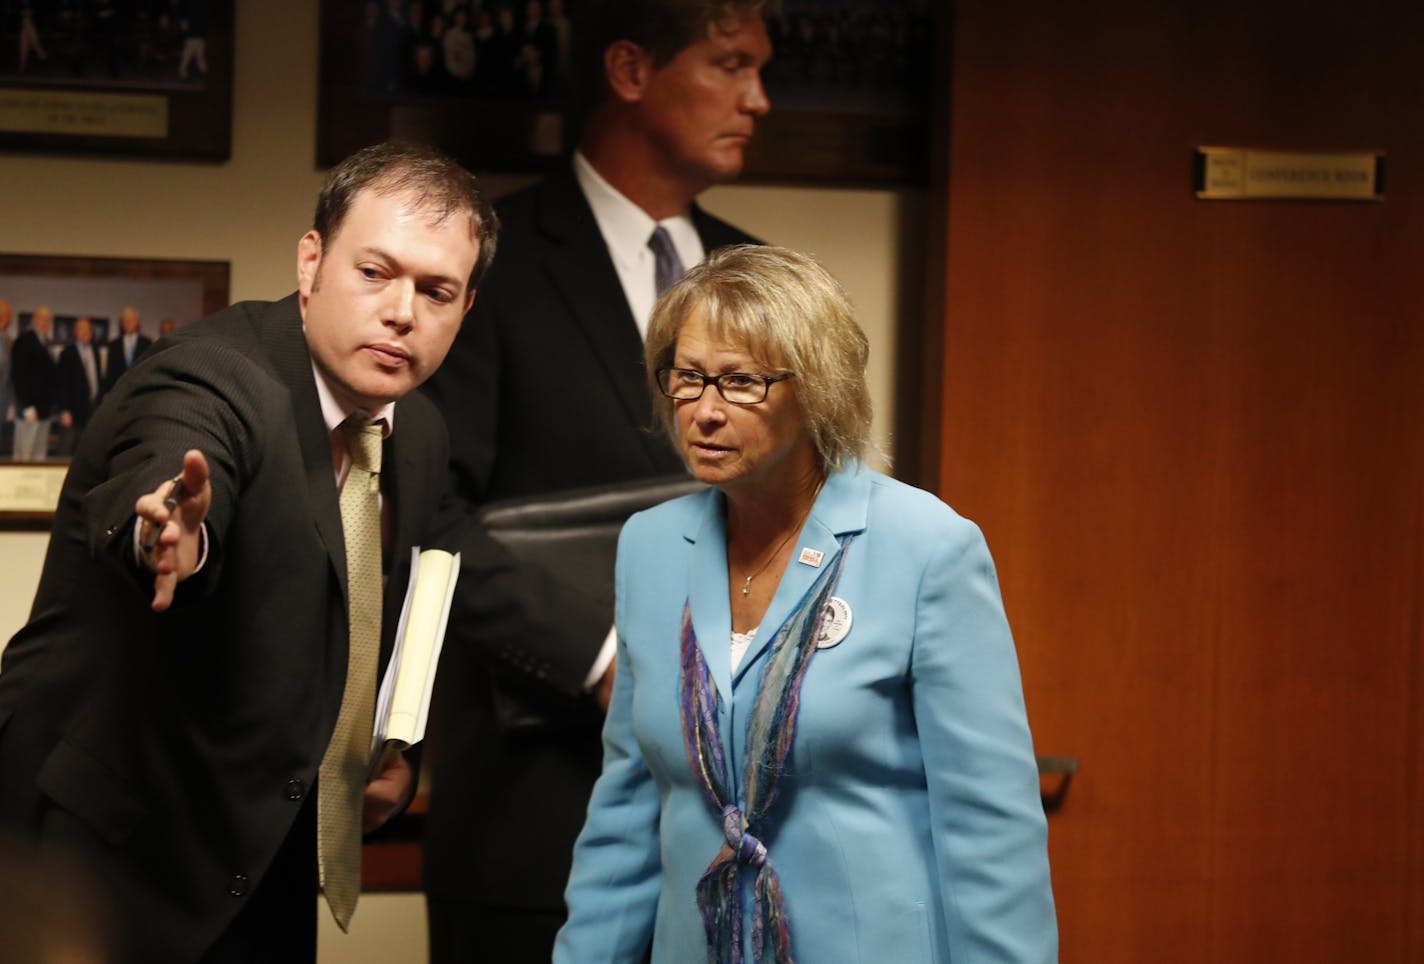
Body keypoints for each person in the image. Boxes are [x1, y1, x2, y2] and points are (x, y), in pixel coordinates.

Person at [0, 140, 607, 964]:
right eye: (375, 273)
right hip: (94, 861)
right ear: (311, 260)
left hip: (264, 860)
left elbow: (390, 580)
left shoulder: (414, 427)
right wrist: (169, 535)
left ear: (465, 311)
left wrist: (389, 751)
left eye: (436, 292)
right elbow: (166, 474)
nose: (402, 313)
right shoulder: (210, 378)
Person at [554, 245, 1058, 963]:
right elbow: (629, 810)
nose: (704, 410)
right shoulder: (650, 547)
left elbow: (991, 828)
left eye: (741, 382)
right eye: (688, 377)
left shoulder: (927, 548)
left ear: (817, 389)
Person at [419, 2, 772, 959]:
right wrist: (604, 655)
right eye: (732, 65)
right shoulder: (484, 262)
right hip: (536, 822)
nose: (760, 99)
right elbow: (424, 513)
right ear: (629, 69)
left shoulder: (766, 280)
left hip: (748, 843)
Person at [10, 304, 59, 461]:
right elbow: (18, 377)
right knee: (23, 456)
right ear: (34, 320)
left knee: (39, 456)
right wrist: (27, 408)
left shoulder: (47, 343)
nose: (45, 322)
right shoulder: (23, 341)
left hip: (44, 411)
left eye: (48, 320)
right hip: (29, 411)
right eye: (41, 318)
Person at [55, 315, 106, 454]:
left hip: (92, 409)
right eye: (81, 329)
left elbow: (98, 380)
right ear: (75, 331)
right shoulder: (67, 353)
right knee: (66, 449)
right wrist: (64, 410)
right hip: (72, 412)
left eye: (88, 329)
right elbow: (61, 384)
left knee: (87, 451)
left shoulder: (95, 352)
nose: (85, 332)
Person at [102, 306, 154, 393]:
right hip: (118, 392)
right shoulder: (113, 345)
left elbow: (149, 369)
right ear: (122, 323)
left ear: (137, 322)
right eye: (126, 320)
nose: (128, 323)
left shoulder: (147, 343)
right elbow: (110, 374)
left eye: (131, 320)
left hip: (140, 391)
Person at [0, 298, 14, 454]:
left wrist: (11, 404)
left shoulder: (9, 340)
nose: (4, 317)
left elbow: (11, 374)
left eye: (6, 314)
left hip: (4, 402)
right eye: (1, 313)